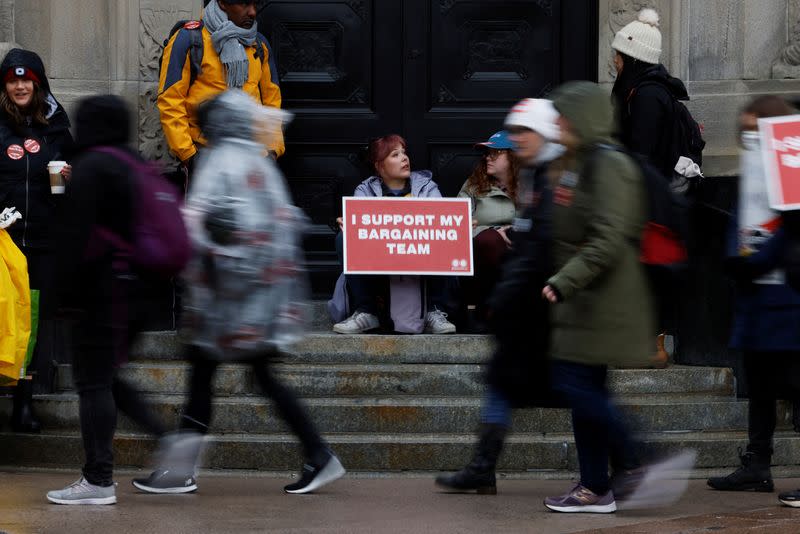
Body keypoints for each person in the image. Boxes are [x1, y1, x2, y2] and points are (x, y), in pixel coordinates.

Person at [132, 90, 345, 496]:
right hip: (256, 299)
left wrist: (202, 265)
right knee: (234, 375)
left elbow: (211, 226)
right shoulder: (257, 162)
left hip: (230, 301)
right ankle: (317, 455)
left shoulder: (221, 162)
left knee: (217, 374)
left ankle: (316, 454)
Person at [435, 99, 564, 494]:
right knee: (500, 382)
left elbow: (549, 241)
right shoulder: (491, 186)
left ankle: (631, 458)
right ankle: (482, 467)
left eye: (499, 150)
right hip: (513, 302)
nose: (490, 157)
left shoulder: (548, 182)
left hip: (540, 305)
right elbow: (453, 222)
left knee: (577, 391)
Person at [540, 81, 658, 513]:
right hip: (582, 300)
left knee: (576, 385)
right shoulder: (578, 162)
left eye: (563, 115)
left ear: (584, 118)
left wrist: (564, 280)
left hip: (603, 299)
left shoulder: (609, 165)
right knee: (582, 390)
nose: (556, 123)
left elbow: (607, 238)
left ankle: (634, 458)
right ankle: (595, 486)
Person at [45, 95, 169, 505]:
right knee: (108, 378)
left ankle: (98, 479)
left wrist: (58, 296)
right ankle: (168, 437)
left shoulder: (94, 167)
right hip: (134, 292)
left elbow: (74, 239)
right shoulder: (132, 164)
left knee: (94, 382)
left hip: (100, 293)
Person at [707, 96, 800, 504]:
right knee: (759, 387)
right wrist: (734, 259)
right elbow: (745, 215)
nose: (746, 136)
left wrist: (754, 262)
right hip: (757, 297)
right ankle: (756, 465)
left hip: (784, 296)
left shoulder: (788, 160)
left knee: (796, 387)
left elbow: (793, 227)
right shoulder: (757, 163)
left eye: (752, 127)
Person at [611, 7, 690, 365]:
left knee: (643, 272)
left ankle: (652, 345)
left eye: (618, 54)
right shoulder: (649, 92)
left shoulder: (644, 97)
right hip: (648, 196)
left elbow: (640, 153)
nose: (614, 61)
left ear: (632, 57)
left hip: (645, 200)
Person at [0, 48, 73, 433]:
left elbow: (72, 174)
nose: (20, 85)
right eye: (12, 80)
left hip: (43, 243)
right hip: (3, 245)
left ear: (38, 82)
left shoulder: (56, 127)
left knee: (30, 323)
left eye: (26, 79)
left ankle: (23, 404)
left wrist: (69, 177)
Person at [329, 135, 457, 335]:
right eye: (395, 154)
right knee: (344, 238)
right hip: (379, 261)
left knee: (445, 237)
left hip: (419, 253)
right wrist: (350, 224)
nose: (404, 158)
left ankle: (434, 310)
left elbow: (439, 220)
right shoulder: (365, 189)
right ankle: (366, 311)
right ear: (379, 166)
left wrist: (458, 224)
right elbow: (362, 227)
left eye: (404, 153)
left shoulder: (427, 187)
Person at [158, 0, 283, 183]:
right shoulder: (189, 39)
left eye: (255, 5)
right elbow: (170, 101)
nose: (253, 12)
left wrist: (271, 153)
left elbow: (272, 103)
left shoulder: (259, 44)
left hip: (253, 162)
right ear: (223, 3)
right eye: (245, 4)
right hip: (205, 160)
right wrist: (190, 157)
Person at [456, 131, 522, 327]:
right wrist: (493, 232)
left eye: (495, 153)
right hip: (484, 253)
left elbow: (544, 220)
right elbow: (457, 223)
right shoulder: (474, 185)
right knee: (490, 241)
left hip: (521, 250)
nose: (487, 158)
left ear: (513, 156)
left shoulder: (531, 185)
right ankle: (492, 308)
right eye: (487, 153)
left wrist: (514, 231)